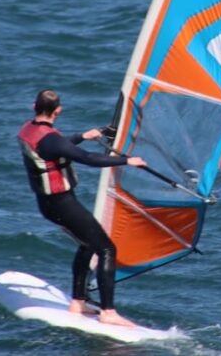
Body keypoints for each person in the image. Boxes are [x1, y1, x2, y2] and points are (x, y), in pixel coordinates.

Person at [17, 89, 146, 327]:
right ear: (58, 111)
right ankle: (108, 312)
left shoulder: (28, 129)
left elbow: (55, 147)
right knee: (107, 248)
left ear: (34, 106)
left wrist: (82, 136)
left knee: (87, 244)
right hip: (62, 204)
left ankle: (78, 302)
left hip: (47, 203)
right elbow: (87, 158)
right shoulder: (52, 139)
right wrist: (127, 161)